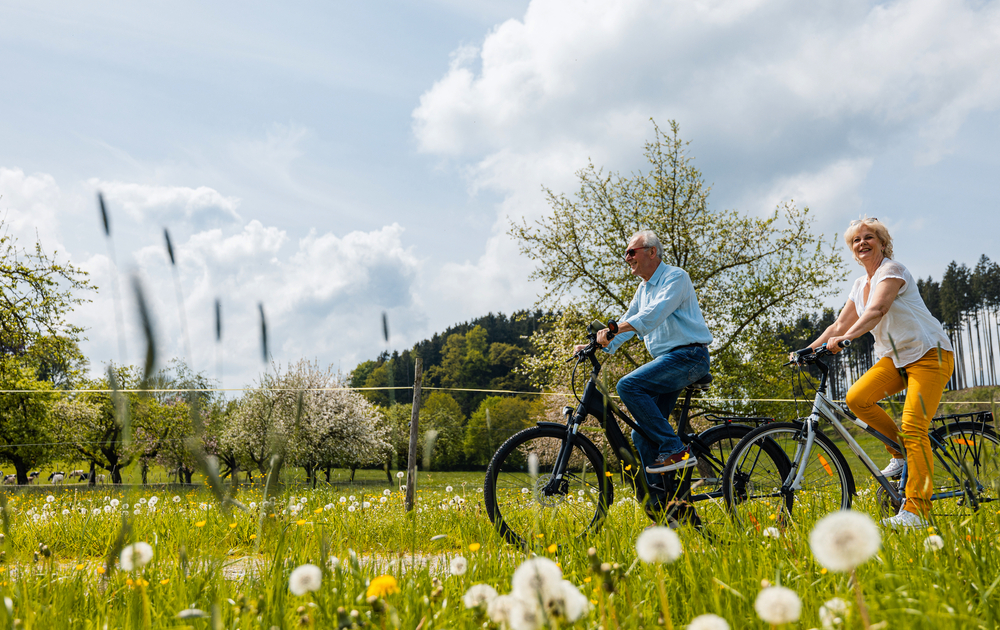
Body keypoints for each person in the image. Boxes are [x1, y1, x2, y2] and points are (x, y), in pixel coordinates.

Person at [795, 217, 954, 528]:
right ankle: (900, 452)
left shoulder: (892, 271)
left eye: (869, 237)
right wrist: (808, 349)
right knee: (857, 398)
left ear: (883, 243)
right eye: (856, 240)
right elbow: (837, 326)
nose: (862, 243)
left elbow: (877, 310)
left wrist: (847, 339)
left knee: (913, 426)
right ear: (852, 250)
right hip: (895, 358)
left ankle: (917, 511)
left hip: (929, 354)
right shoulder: (859, 285)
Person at [578, 230, 713, 490]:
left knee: (628, 385)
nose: (627, 257)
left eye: (631, 252)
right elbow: (627, 320)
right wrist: (594, 344)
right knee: (641, 437)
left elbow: (653, 314)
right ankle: (667, 509)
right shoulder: (643, 289)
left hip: (690, 357)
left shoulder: (676, 277)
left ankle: (675, 448)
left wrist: (615, 329)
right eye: (626, 253)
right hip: (669, 362)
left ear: (652, 252)